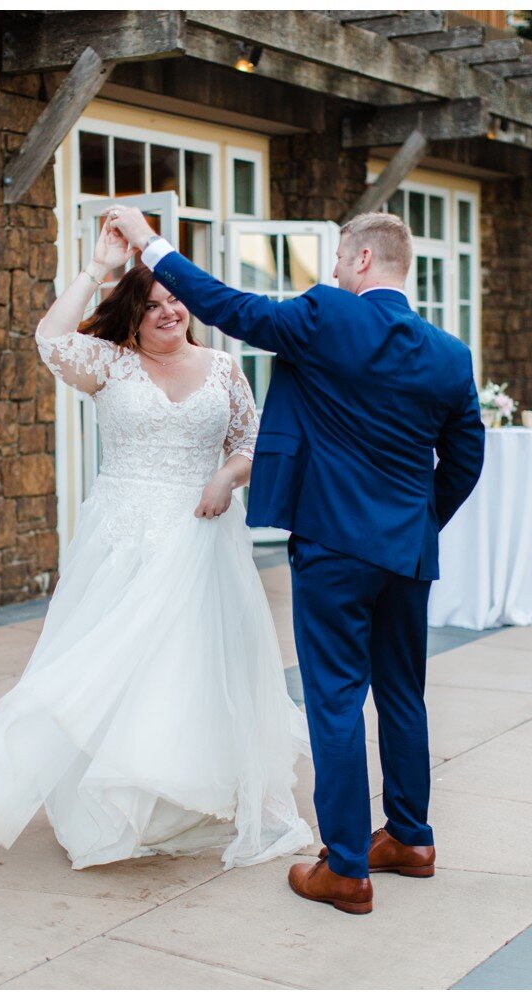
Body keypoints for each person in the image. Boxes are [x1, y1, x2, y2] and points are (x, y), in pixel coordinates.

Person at [106, 205, 486, 916]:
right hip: (405, 552)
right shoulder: (449, 354)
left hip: (334, 546)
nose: (335, 272)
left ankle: (346, 868)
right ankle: (411, 838)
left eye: (340, 259)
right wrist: (419, 520)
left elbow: (225, 306)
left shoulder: (326, 316)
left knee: (336, 701)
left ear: (364, 261)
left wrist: (149, 243)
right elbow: (465, 459)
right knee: (403, 694)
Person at [0, 219, 312, 871]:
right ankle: (117, 807)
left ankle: (184, 798)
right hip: (123, 538)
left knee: (190, 667)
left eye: (174, 301)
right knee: (111, 668)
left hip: (202, 534)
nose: (169, 311)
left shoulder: (224, 369)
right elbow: (50, 339)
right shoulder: (109, 364)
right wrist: (99, 266)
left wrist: (227, 475)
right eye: (153, 305)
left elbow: (253, 440)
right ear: (131, 319)